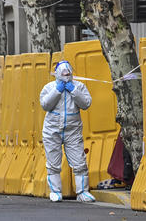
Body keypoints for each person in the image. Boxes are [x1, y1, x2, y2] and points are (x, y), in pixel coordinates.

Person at [40, 60, 95, 203]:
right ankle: (56, 191)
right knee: (53, 163)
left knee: (79, 161)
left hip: (73, 130)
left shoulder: (79, 86)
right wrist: (57, 91)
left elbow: (86, 104)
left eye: (68, 73)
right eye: (63, 73)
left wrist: (74, 91)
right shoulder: (49, 87)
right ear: (57, 74)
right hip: (52, 130)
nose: (66, 75)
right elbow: (45, 104)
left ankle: (82, 191)